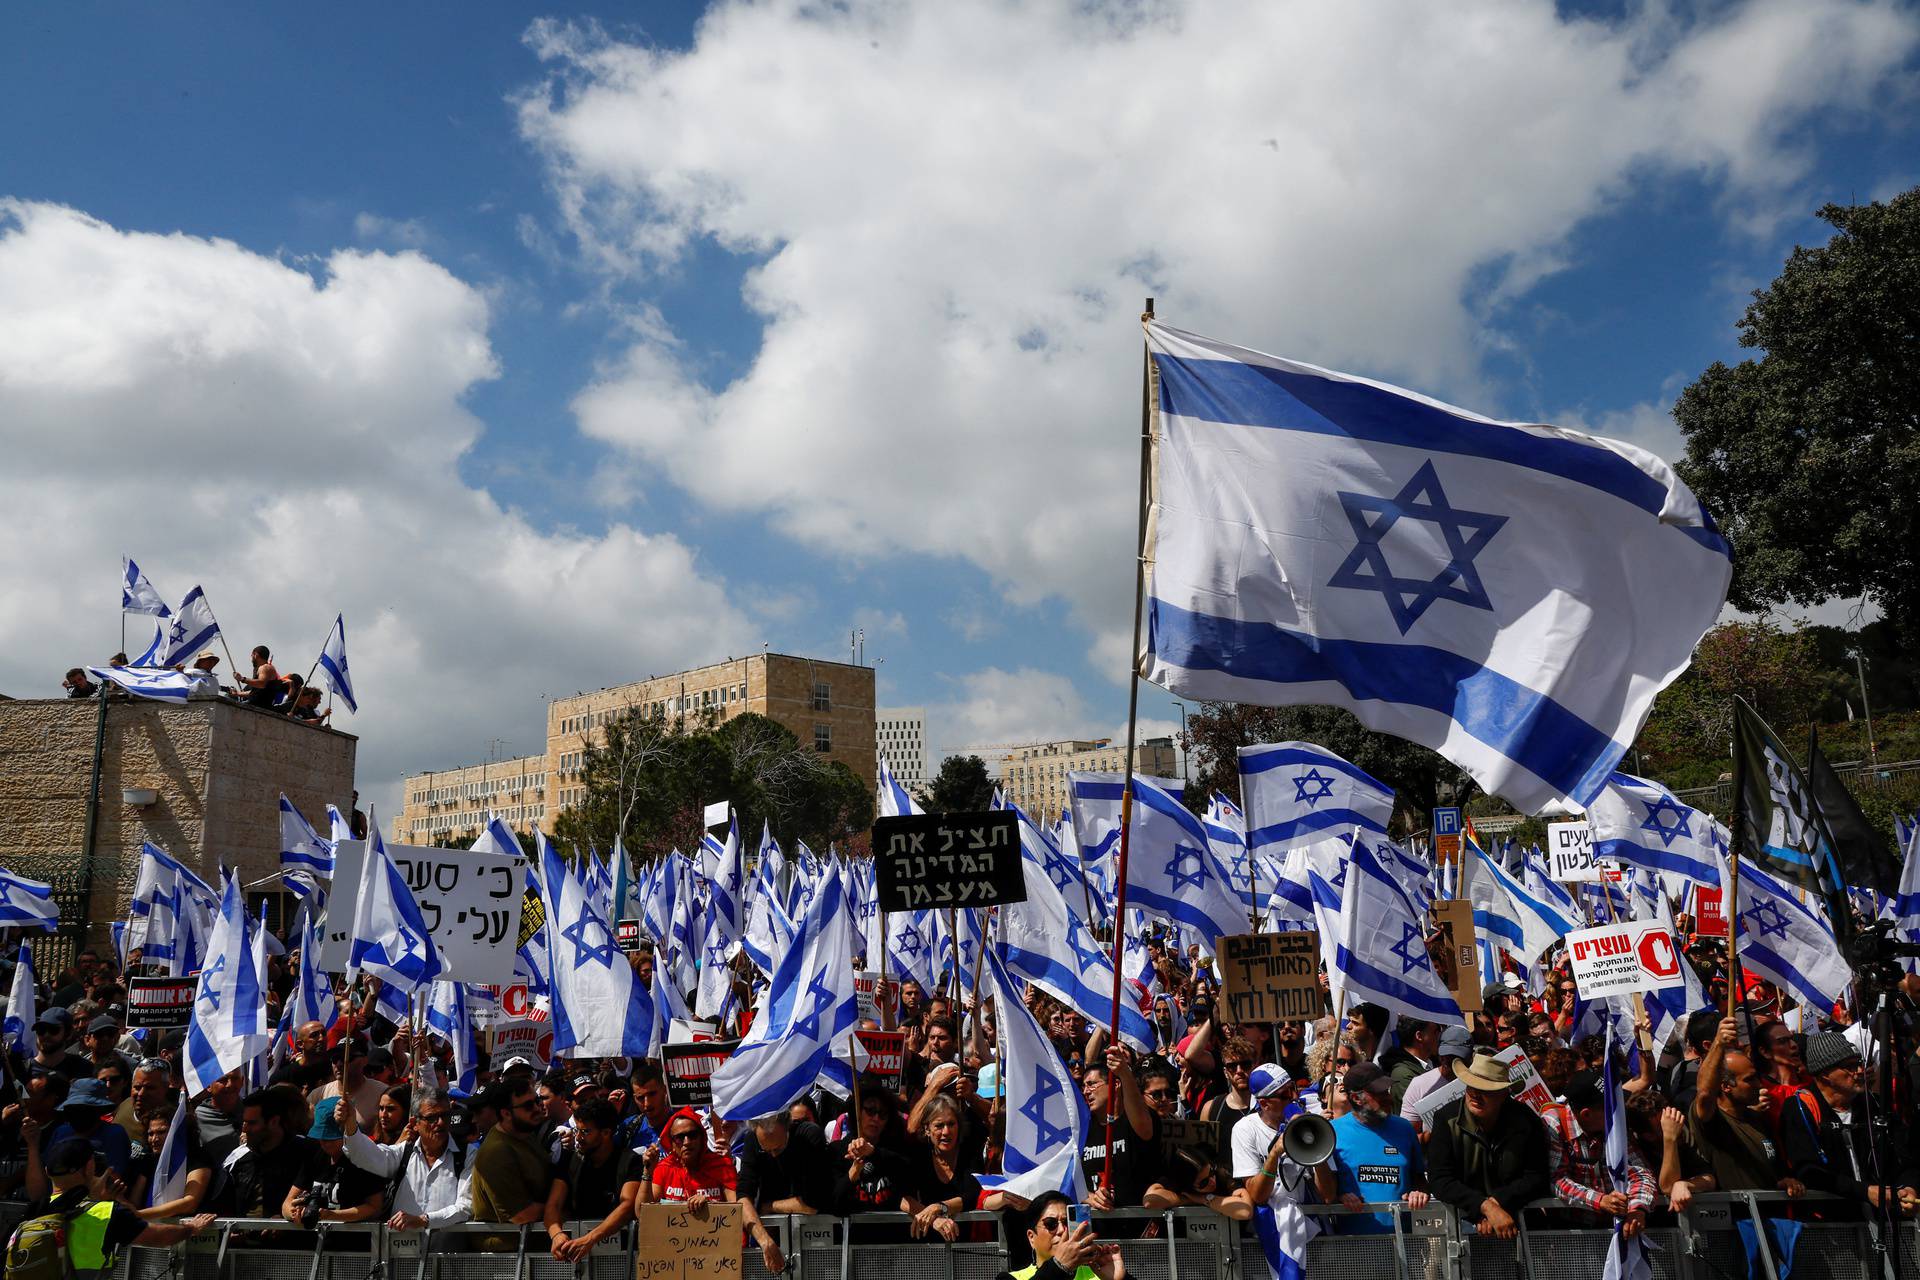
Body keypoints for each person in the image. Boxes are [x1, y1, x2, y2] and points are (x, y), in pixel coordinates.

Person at [21, 1138, 216, 1275]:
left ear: (47, 1172)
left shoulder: (34, 1210)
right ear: (89, 1167)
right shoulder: (106, 1212)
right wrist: (191, 1228)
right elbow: (160, 1236)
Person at [1778, 1033, 1919, 1214]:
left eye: (1859, 1063)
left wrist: (1910, 1187)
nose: (1860, 1070)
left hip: (1885, 1221)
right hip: (1832, 1227)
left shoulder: (1876, 1106)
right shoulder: (1800, 1107)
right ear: (1825, 1074)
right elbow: (1809, 1171)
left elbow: (1906, 1159)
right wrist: (1865, 1192)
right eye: (1850, 1067)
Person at [1426, 1051, 1549, 1239]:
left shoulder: (1526, 1120)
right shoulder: (1446, 1118)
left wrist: (1499, 1202)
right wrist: (1484, 1207)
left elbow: (1536, 1176)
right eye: (1471, 1087)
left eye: (1485, 1090)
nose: (1475, 1094)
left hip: (1520, 1224)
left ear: (1503, 1094)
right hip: (1460, 1225)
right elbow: (1440, 1180)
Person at [1687, 1016, 1800, 1200]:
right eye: (1749, 1080)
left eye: (1756, 1077)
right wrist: (1719, 1043)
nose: (1758, 1084)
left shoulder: (1759, 1119)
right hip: (1739, 1223)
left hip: (1774, 1222)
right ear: (1725, 1086)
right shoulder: (1714, 1121)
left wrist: (1786, 1182)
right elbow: (1705, 1092)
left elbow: (1773, 1173)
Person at [1313, 1061, 1429, 1233]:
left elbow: (1419, 1179)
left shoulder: (1404, 1129)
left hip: (1405, 1245)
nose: (1388, 1098)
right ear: (1356, 1098)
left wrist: (1418, 1193)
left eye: (1386, 1091)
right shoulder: (1333, 1133)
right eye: (1378, 1094)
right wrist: (1340, 1196)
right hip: (1354, 1246)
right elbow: (1325, 1194)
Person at [338, 1085, 471, 1231]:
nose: (440, 1123)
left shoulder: (467, 1155)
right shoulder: (404, 1152)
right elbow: (368, 1156)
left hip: (446, 1251)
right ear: (415, 1124)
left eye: (445, 1116)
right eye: (431, 1118)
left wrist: (423, 1220)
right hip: (401, 1251)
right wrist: (350, 1123)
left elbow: (465, 1207)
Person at [1547, 1070, 1655, 1234]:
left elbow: (1641, 1171)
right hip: (1574, 1230)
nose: (1616, 1112)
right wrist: (1600, 1200)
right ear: (1587, 1114)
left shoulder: (1616, 1122)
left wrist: (1638, 1208)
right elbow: (1557, 1180)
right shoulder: (1553, 1124)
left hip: (1620, 1225)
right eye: (1610, 1108)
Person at [544, 1100, 643, 1260]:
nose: (578, 1137)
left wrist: (590, 1239)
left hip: (621, 1256)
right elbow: (553, 1204)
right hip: (577, 1253)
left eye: (585, 1132)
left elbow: (628, 1205)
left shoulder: (629, 1161)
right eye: (576, 1130)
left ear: (606, 1133)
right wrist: (556, 1234)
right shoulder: (570, 1160)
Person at [282, 1098, 385, 1230]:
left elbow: (374, 1207)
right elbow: (287, 1203)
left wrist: (332, 1215)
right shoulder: (314, 1155)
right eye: (322, 1137)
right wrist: (293, 1213)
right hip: (313, 1244)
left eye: (331, 1137)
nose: (325, 1142)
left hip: (353, 1244)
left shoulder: (365, 1157)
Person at [221, 1088, 317, 1218]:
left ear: (274, 1122)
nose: (245, 1128)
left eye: (252, 1123)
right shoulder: (236, 1159)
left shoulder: (308, 1153)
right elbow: (223, 1206)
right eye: (244, 1122)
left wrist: (285, 1221)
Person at [470, 1078, 553, 1224]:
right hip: (511, 1244)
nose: (536, 1108)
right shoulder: (496, 1152)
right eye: (528, 1106)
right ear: (506, 1113)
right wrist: (558, 1205)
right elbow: (521, 1216)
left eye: (537, 1101)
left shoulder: (525, 1133)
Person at [994, 1190, 1127, 1280]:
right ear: (1031, 1237)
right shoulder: (1011, 1278)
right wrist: (1059, 1267)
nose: (1062, 1230)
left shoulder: (1098, 1274)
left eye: (1066, 1222)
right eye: (1051, 1223)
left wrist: (1120, 1279)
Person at [904, 1093, 981, 1241]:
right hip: (927, 1247)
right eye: (939, 1125)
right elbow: (902, 1196)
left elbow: (973, 1194)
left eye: (951, 1124)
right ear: (927, 1129)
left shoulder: (970, 1153)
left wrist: (938, 1207)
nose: (946, 1132)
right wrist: (933, 1218)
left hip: (969, 1245)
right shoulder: (918, 1155)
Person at [739, 1110, 829, 1215]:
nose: (773, 1155)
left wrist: (768, 1207)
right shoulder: (752, 1138)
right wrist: (759, 1231)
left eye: (778, 1149)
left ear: (787, 1128)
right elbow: (744, 1196)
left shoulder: (807, 1136)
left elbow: (813, 1203)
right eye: (766, 1151)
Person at [1144, 1145, 1249, 1219]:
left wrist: (1206, 1199)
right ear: (1188, 1186)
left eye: (1211, 1172)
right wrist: (1191, 1199)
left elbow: (1245, 1211)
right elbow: (1149, 1201)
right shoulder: (1176, 1181)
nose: (1212, 1181)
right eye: (1204, 1182)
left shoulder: (1223, 1173)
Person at [1381, 1019, 1442, 1110]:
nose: (1439, 1036)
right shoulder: (1403, 1075)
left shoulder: (1436, 1062)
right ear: (1419, 1036)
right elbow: (1424, 1111)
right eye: (1435, 1032)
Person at [271, 1021, 335, 1092]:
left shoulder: (336, 1067)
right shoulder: (283, 1077)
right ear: (300, 1044)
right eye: (314, 1035)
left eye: (323, 1033)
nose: (321, 1039)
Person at [234, 644, 286, 708]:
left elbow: (261, 684)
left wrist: (242, 679)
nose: (251, 658)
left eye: (252, 655)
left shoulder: (265, 667)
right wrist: (238, 693)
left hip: (258, 707)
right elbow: (255, 692)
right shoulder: (263, 669)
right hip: (256, 705)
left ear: (256, 655)